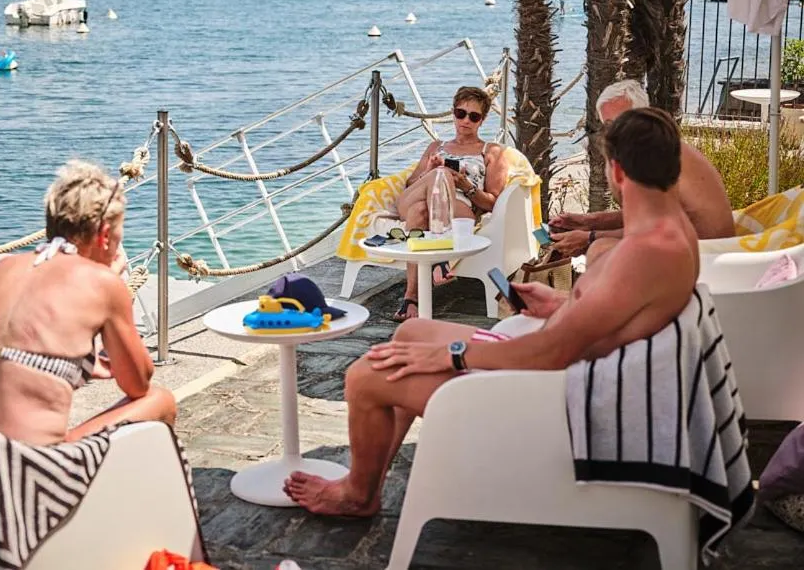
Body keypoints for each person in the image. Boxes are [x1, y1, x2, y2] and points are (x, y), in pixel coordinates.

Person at [283, 108, 699, 516]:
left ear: (617, 172)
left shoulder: (643, 253)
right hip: (566, 369)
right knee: (411, 334)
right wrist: (558, 304)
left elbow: (550, 352)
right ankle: (368, 480)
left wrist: (453, 354)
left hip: (549, 398)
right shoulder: (670, 234)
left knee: (364, 377)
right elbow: (620, 317)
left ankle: (357, 496)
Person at [0, 160, 175, 446]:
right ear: (104, 235)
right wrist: (113, 287)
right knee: (160, 401)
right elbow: (138, 383)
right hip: (17, 462)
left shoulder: (3, 268)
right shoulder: (103, 284)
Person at [550, 80, 734, 263]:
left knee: (600, 249)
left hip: (707, 252)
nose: (616, 132)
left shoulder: (654, 153)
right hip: (700, 243)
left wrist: (590, 238)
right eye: (609, 124)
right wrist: (588, 222)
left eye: (622, 121)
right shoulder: (659, 145)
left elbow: (655, 229)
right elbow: (648, 214)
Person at [393, 86, 507, 321]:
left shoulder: (491, 152)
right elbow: (411, 184)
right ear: (453, 113)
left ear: (482, 120)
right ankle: (442, 259)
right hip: (416, 195)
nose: (465, 120)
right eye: (460, 113)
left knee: (419, 211)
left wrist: (466, 185)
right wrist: (430, 170)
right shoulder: (436, 146)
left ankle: (411, 298)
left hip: (459, 205)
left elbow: (492, 202)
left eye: (473, 116)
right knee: (441, 173)